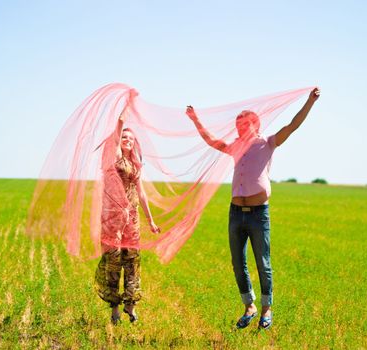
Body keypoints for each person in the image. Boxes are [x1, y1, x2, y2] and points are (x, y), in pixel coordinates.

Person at [185, 88, 320, 329]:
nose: (241, 128)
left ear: (256, 125)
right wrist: (196, 120)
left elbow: (293, 125)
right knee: (238, 263)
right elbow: (211, 140)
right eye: (239, 125)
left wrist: (310, 102)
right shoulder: (235, 146)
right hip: (235, 213)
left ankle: (267, 309)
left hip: (259, 214)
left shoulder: (268, 142)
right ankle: (249, 305)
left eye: (246, 124)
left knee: (263, 263)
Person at [95, 102, 160, 325]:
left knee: (132, 261)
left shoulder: (137, 165)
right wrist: (127, 105)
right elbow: (119, 126)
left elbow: (142, 194)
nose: (127, 141)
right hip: (113, 218)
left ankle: (130, 306)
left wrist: (150, 220)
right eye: (124, 138)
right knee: (113, 261)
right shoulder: (114, 158)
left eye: (131, 139)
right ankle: (114, 310)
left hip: (132, 218)